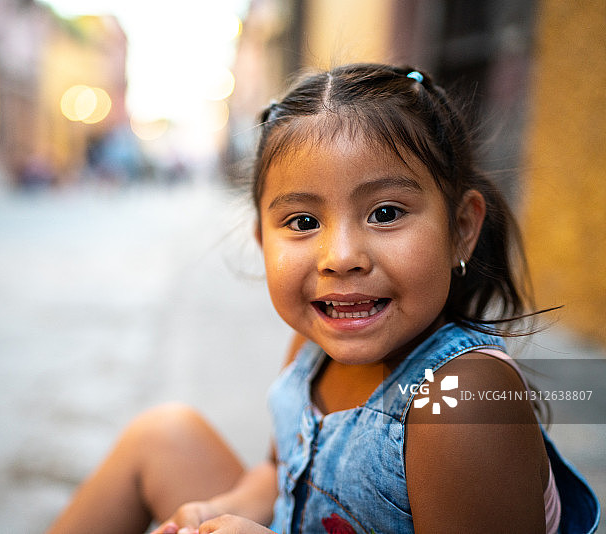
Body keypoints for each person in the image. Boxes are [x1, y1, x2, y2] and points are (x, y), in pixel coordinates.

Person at [46, 64, 600, 534]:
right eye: (303, 222)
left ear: (461, 229)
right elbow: (280, 472)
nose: (340, 257)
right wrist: (226, 508)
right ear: (262, 240)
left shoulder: (461, 402)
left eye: (385, 213)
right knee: (163, 434)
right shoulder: (313, 348)